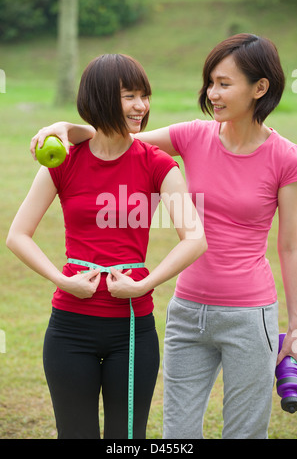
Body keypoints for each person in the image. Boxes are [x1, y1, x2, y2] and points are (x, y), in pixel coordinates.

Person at [30, 33, 297, 439]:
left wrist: (296, 325)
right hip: (187, 311)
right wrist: (65, 126)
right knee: (178, 435)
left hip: (249, 314)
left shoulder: (286, 157)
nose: (212, 94)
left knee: (245, 432)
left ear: (260, 88)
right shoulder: (193, 135)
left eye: (224, 84)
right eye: (210, 83)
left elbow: (292, 245)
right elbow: (118, 139)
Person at [7, 53, 207, 440]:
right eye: (129, 95)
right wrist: (62, 281)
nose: (141, 106)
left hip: (133, 329)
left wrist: (144, 284)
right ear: (100, 98)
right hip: (69, 328)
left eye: (144, 95)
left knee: (126, 440)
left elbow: (195, 238)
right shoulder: (63, 159)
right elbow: (18, 235)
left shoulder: (158, 163)